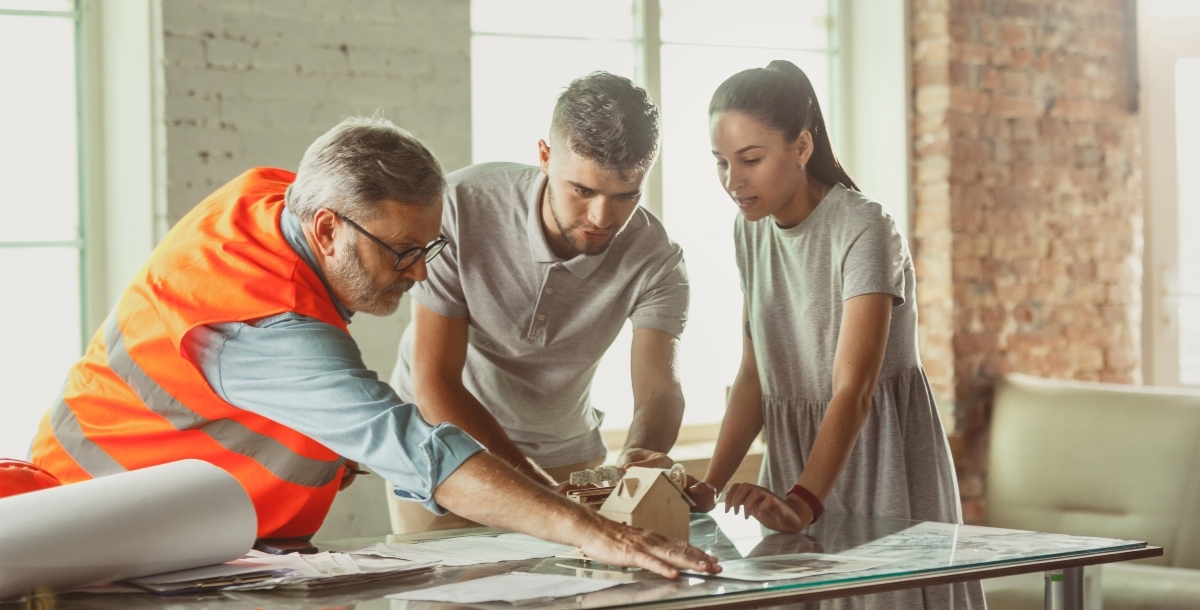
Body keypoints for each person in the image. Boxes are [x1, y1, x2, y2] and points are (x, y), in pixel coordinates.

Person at [29, 116, 719, 579]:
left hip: (173, 534)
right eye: (402, 251)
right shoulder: (266, 323)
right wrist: (594, 531)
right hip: (85, 540)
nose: (419, 273)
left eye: (428, 248)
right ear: (328, 229)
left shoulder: (277, 204)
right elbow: (416, 448)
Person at [695, 61, 986, 610]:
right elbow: (755, 377)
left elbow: (854, 389)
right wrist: (709, 485)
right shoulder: (748, 230)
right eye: (721, 162)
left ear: (802, 146)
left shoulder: (864, 227)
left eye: (750, 160)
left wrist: (802, 502)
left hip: (879, 466)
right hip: (796, 467)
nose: (733, 181)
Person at [388, 72, 703, 532]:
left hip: (565, 455)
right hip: (443, 445)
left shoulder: (658, 258)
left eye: (625, 196)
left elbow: (660, 389)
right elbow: (435, 382)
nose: (601, 217)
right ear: (544, 156)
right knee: (440, 582)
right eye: (583, 190)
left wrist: (641, 451)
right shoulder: (458, 206)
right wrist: (537, 491)